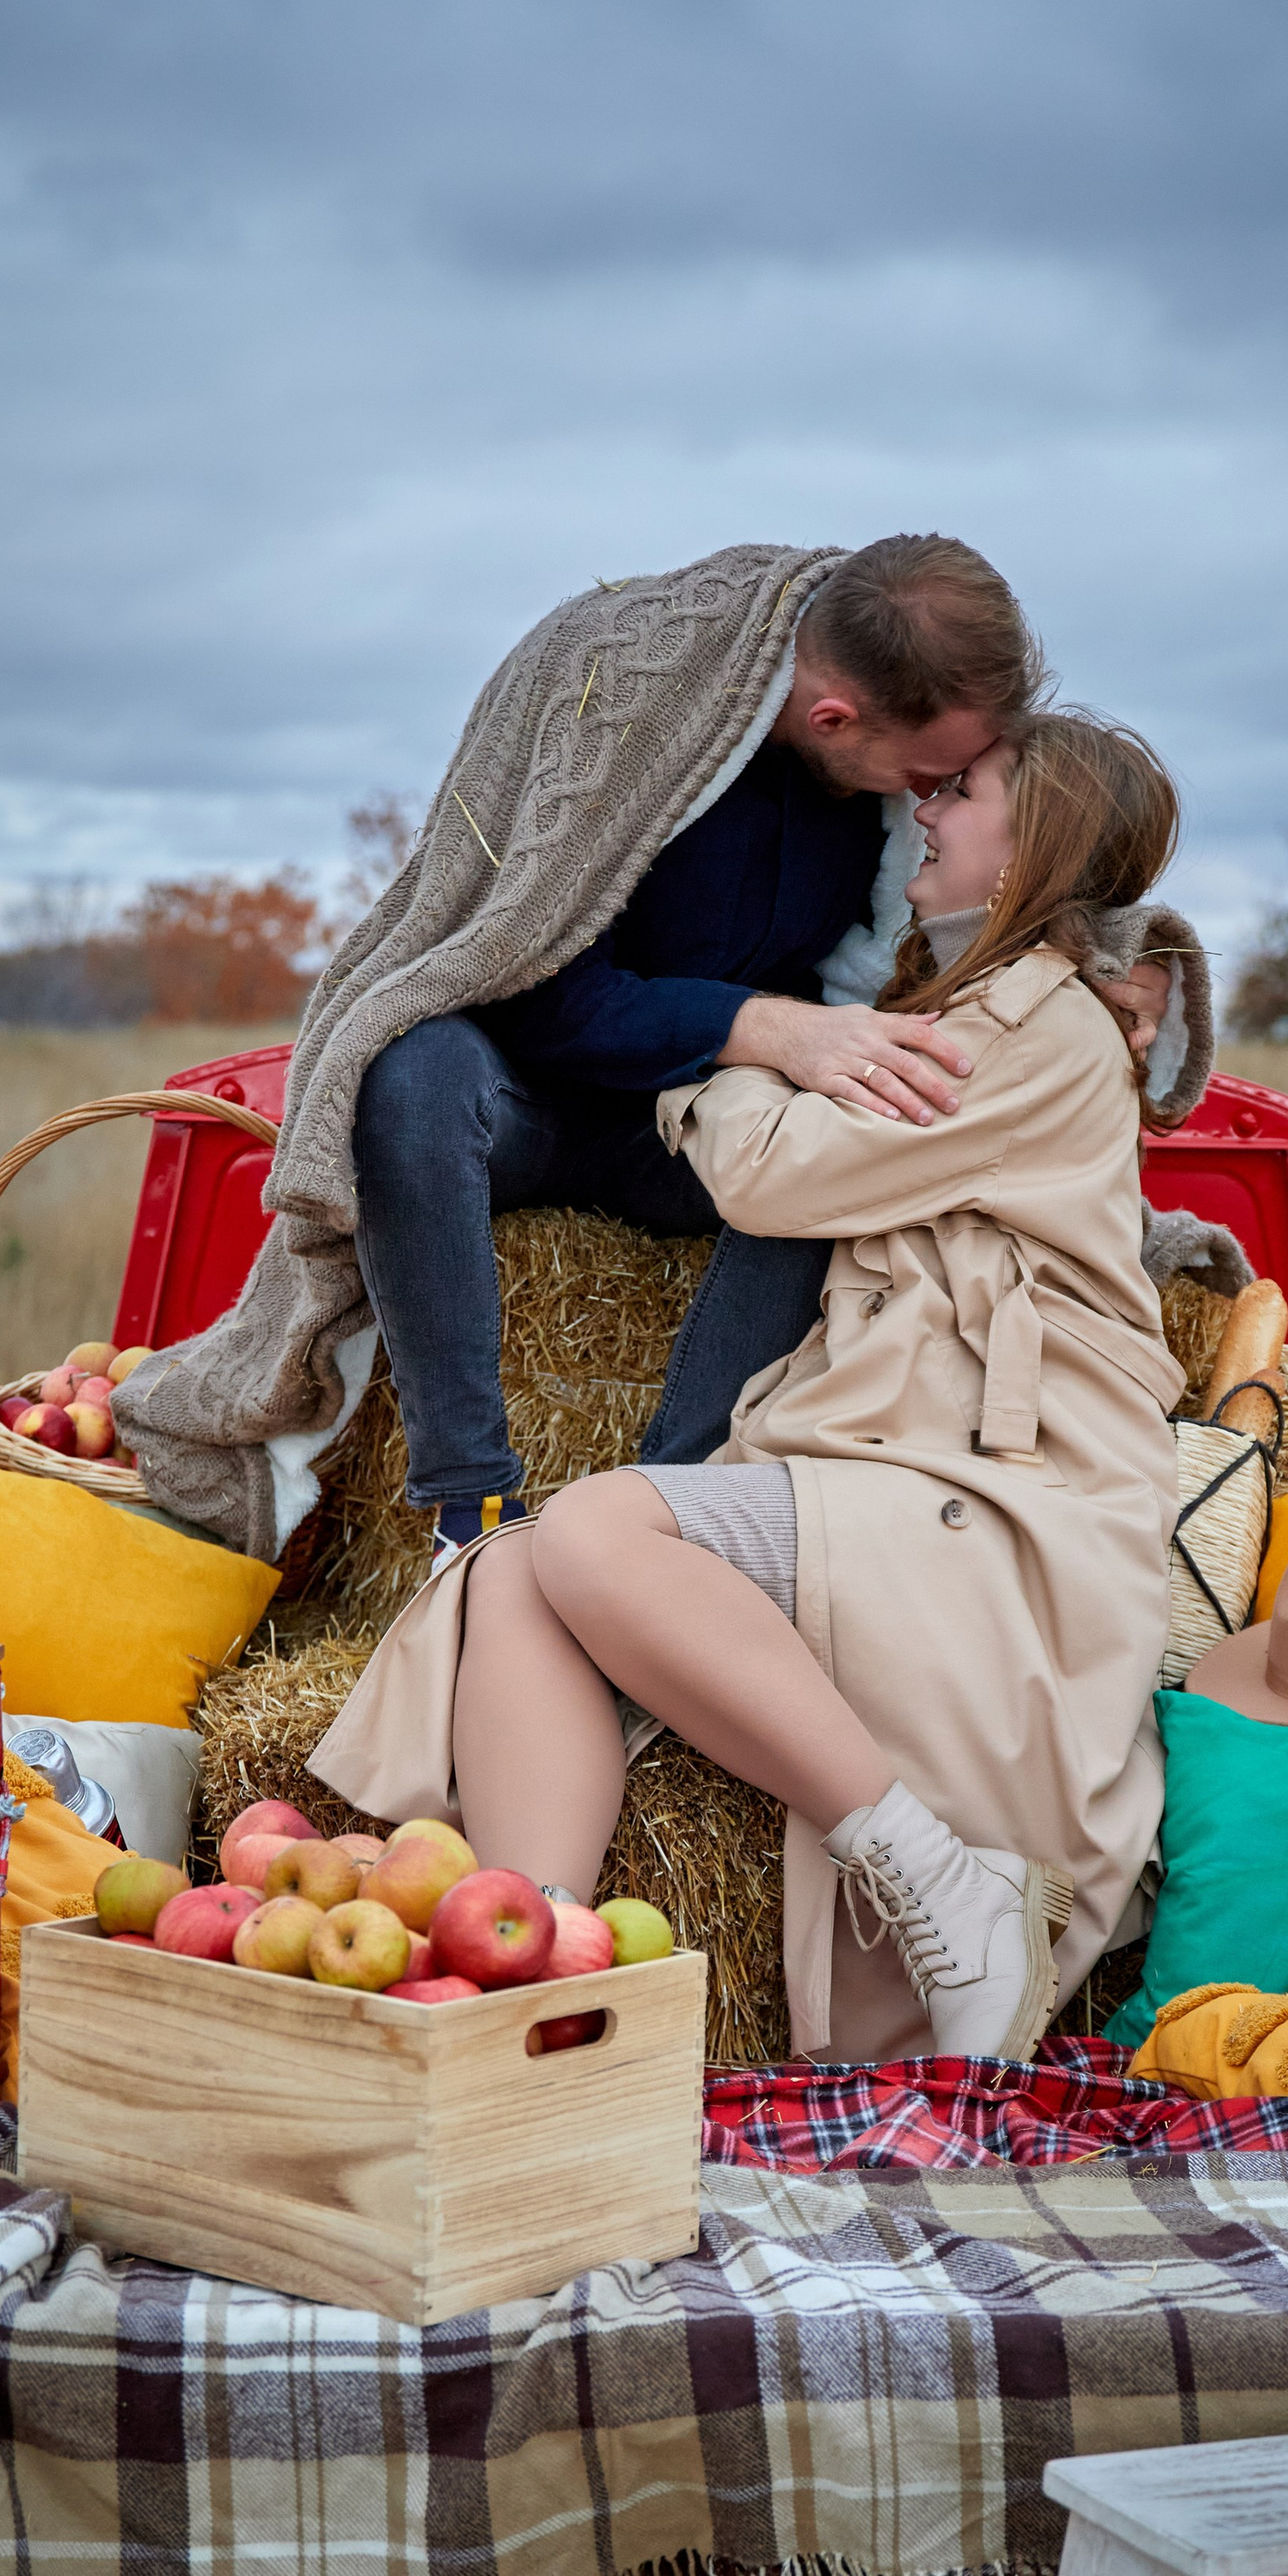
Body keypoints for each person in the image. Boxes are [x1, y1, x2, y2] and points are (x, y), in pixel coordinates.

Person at [312, 711, 1192, 2065]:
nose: (928, 813)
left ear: (1039, 844)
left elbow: (780, 1175)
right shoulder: (942, 1010)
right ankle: (536, 1984)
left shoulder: (1032, 1028)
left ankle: (943, 1881)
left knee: (600, 1530)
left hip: (1002, 1498)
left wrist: (711, 1055)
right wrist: (777, 1053)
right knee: (509, 1572)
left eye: (961, 792)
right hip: (894, 1471)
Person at [350, 534, 1042, 1561]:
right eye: (926, 773)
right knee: (412, 1072)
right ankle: (473, 1513)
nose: (931, 798)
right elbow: (528, 981)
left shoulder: (889, 787)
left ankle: (663, 1517)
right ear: (833, 718)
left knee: (846, 1139)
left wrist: (1138, 959)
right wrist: (766, 1025)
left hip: (704, 1132)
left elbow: (1047, 845)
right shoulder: (615, 692)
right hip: (518, 1102)